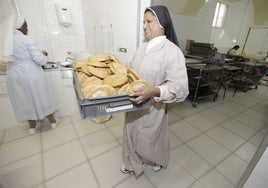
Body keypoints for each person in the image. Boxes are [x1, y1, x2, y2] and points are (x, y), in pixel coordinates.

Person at [120, 5, 189, 177]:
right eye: (144, 21)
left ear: (162, 23)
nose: (144, 25)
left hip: (153, 108)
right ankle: (132, 164)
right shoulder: (142, 48)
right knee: (130, 133)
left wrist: (154, 91)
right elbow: (131, 70)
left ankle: (157, 159)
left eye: (149, 21)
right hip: (133, 105)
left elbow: (180, 88)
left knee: (149, 138)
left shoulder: (172, 52)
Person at [6, 16, 58, 135]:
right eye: (26, 26)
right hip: (30, 73)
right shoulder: (26, 39)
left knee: (25, 100)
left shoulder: (6, 40)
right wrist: (44, 54)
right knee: (42, 96)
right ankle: (53, 122)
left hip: (14, 73)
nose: (27, 29)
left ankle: (32, 128)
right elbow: (40, 60)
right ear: (21, 26)